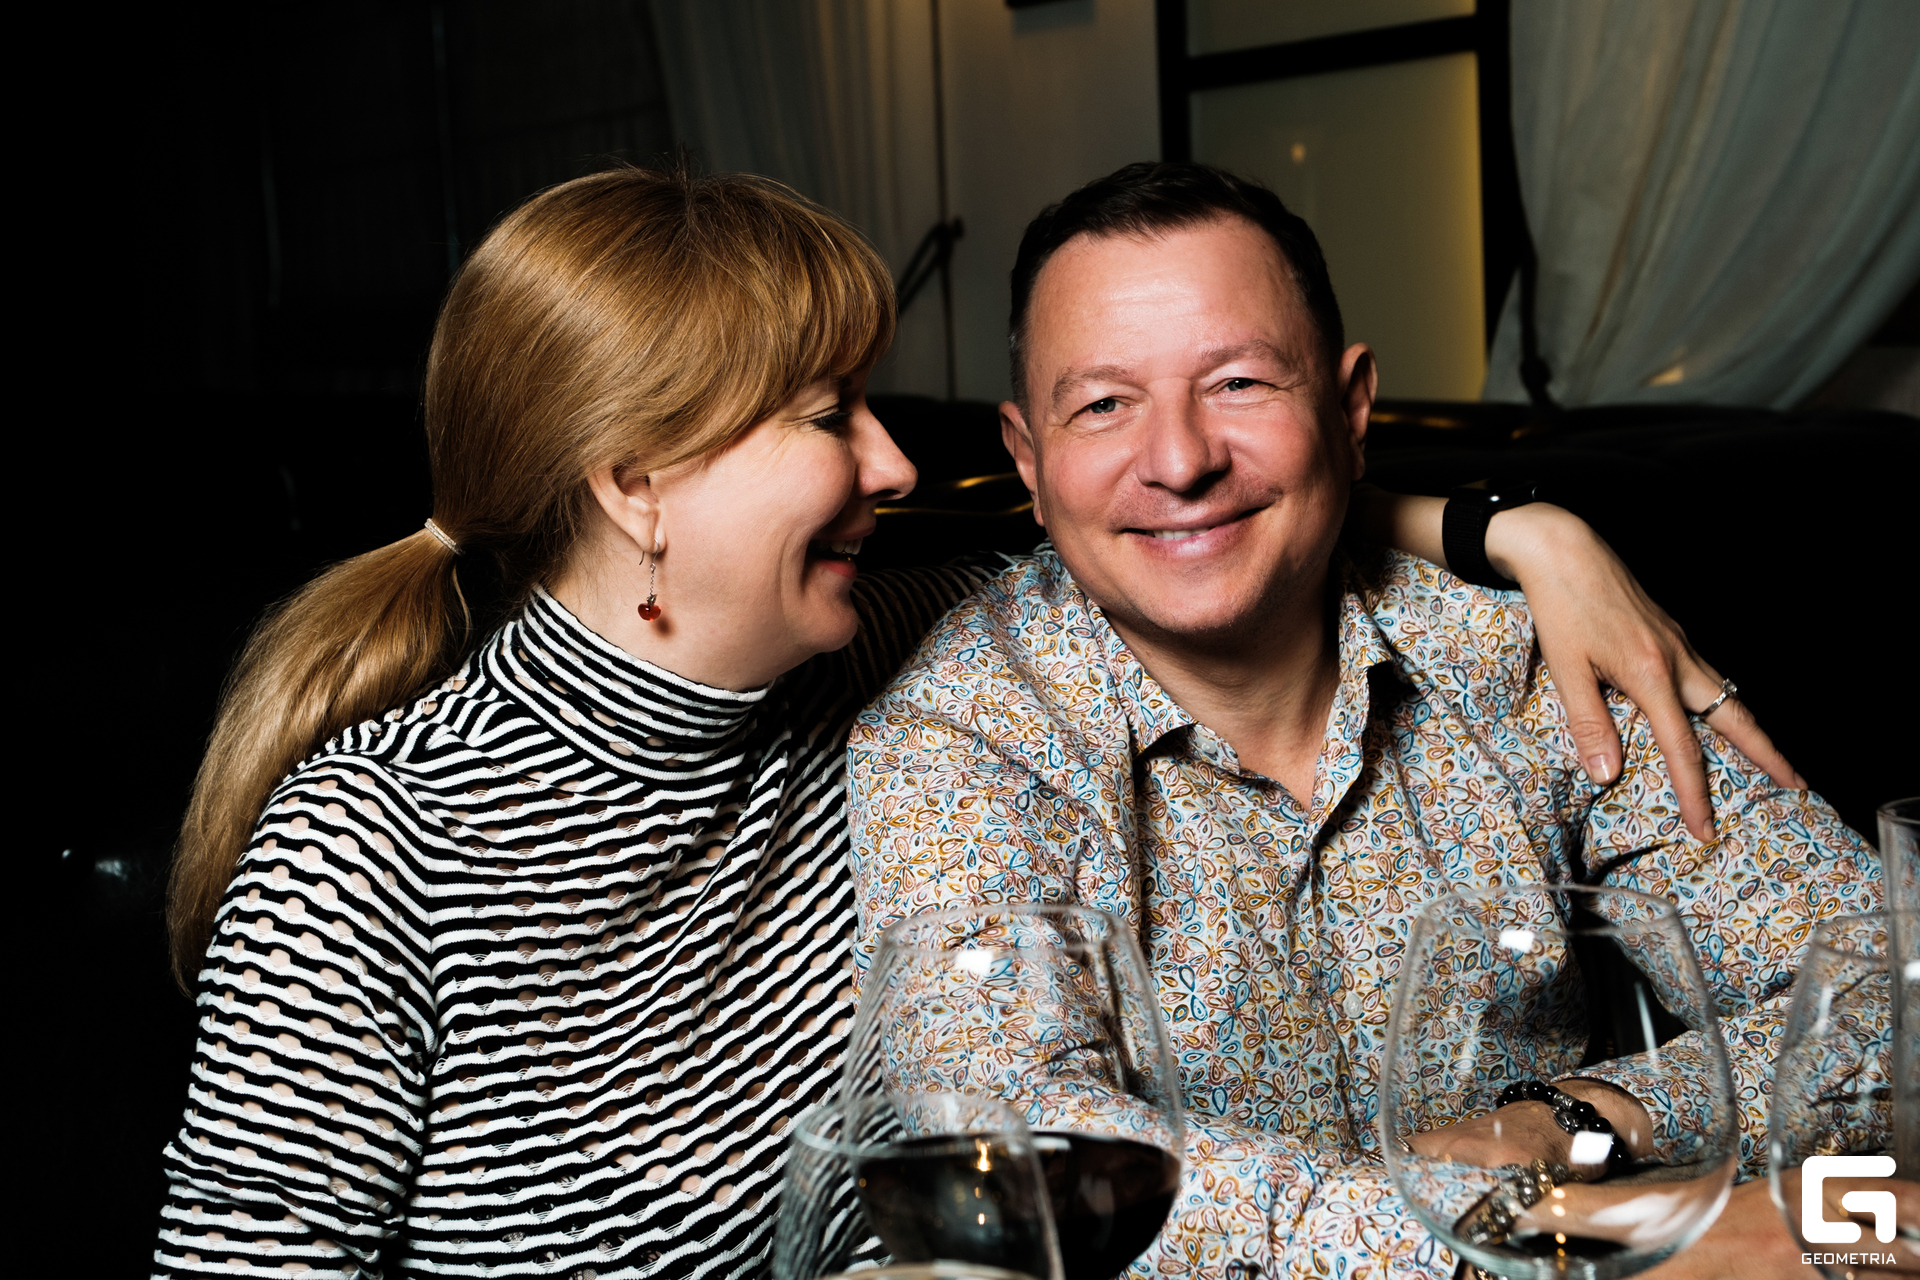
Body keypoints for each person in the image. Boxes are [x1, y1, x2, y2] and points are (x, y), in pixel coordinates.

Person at [155, 164, 1775, 1280]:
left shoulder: (869, 644)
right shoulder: (367, 843)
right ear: (635, 482)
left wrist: (1518, 530)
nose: (890, 463)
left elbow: (1180, 521)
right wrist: (1598, 1241)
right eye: (826, 417)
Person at [845, 161, 1881, 1279]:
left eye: (1239, 382)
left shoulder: (1523, 654)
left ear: (1349, 409)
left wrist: (1583, 1118)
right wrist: (1582, 1237)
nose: (1181, 461)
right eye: (1103, 404)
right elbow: (1014, 1146)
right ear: (1027, 459)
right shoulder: (962, 736)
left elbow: (1883, 985)